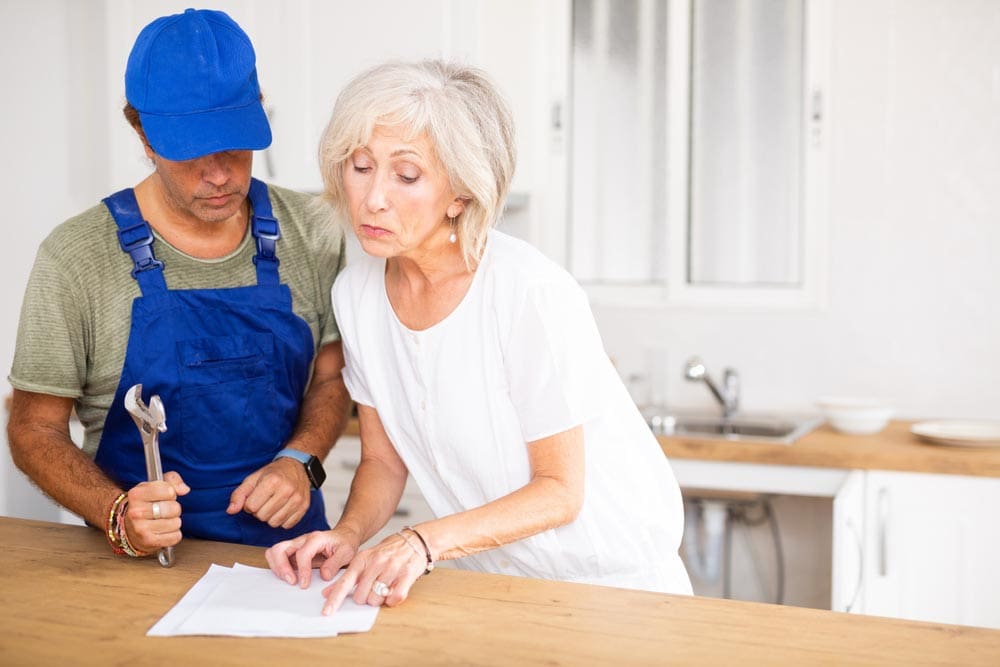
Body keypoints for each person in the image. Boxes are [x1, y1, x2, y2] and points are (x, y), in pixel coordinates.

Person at [265, 60, 692, 613]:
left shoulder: (527, 292)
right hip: (492, 587)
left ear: (461, 194)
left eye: (406, 175)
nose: (372, 198)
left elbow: (560, 491)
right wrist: (348, 536)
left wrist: (421, 541)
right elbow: (383, 462)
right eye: (361, 166)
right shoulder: (357, 294)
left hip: (614, 589)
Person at [7, 8, 351, 555]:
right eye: (191, 153)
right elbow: (33, 429)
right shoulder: (76, 256)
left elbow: (331, 382)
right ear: (143, 134)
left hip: (292, 562)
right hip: (138, 566)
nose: (218, 175)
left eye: (235, 147)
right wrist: (117, 513)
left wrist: (301, 461)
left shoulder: (312, 232)